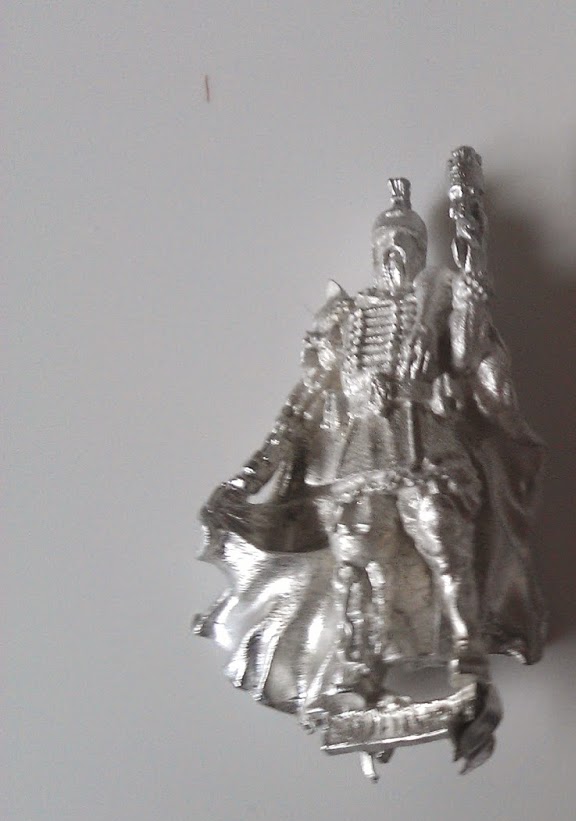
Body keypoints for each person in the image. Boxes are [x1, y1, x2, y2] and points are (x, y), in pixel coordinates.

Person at [196, 149, 544, 775]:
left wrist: (468, 286)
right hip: (360, 455)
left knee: (442, 539)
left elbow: (469, 361)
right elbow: (301, 410)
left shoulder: (439, 302)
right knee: (358, 555)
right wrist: (249, 478)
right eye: (387, 245)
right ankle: (361, 671)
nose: (396, 256)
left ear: (418, 252)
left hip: (428, 444)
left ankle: (467, 656)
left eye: (406, 246)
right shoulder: (348, 319)